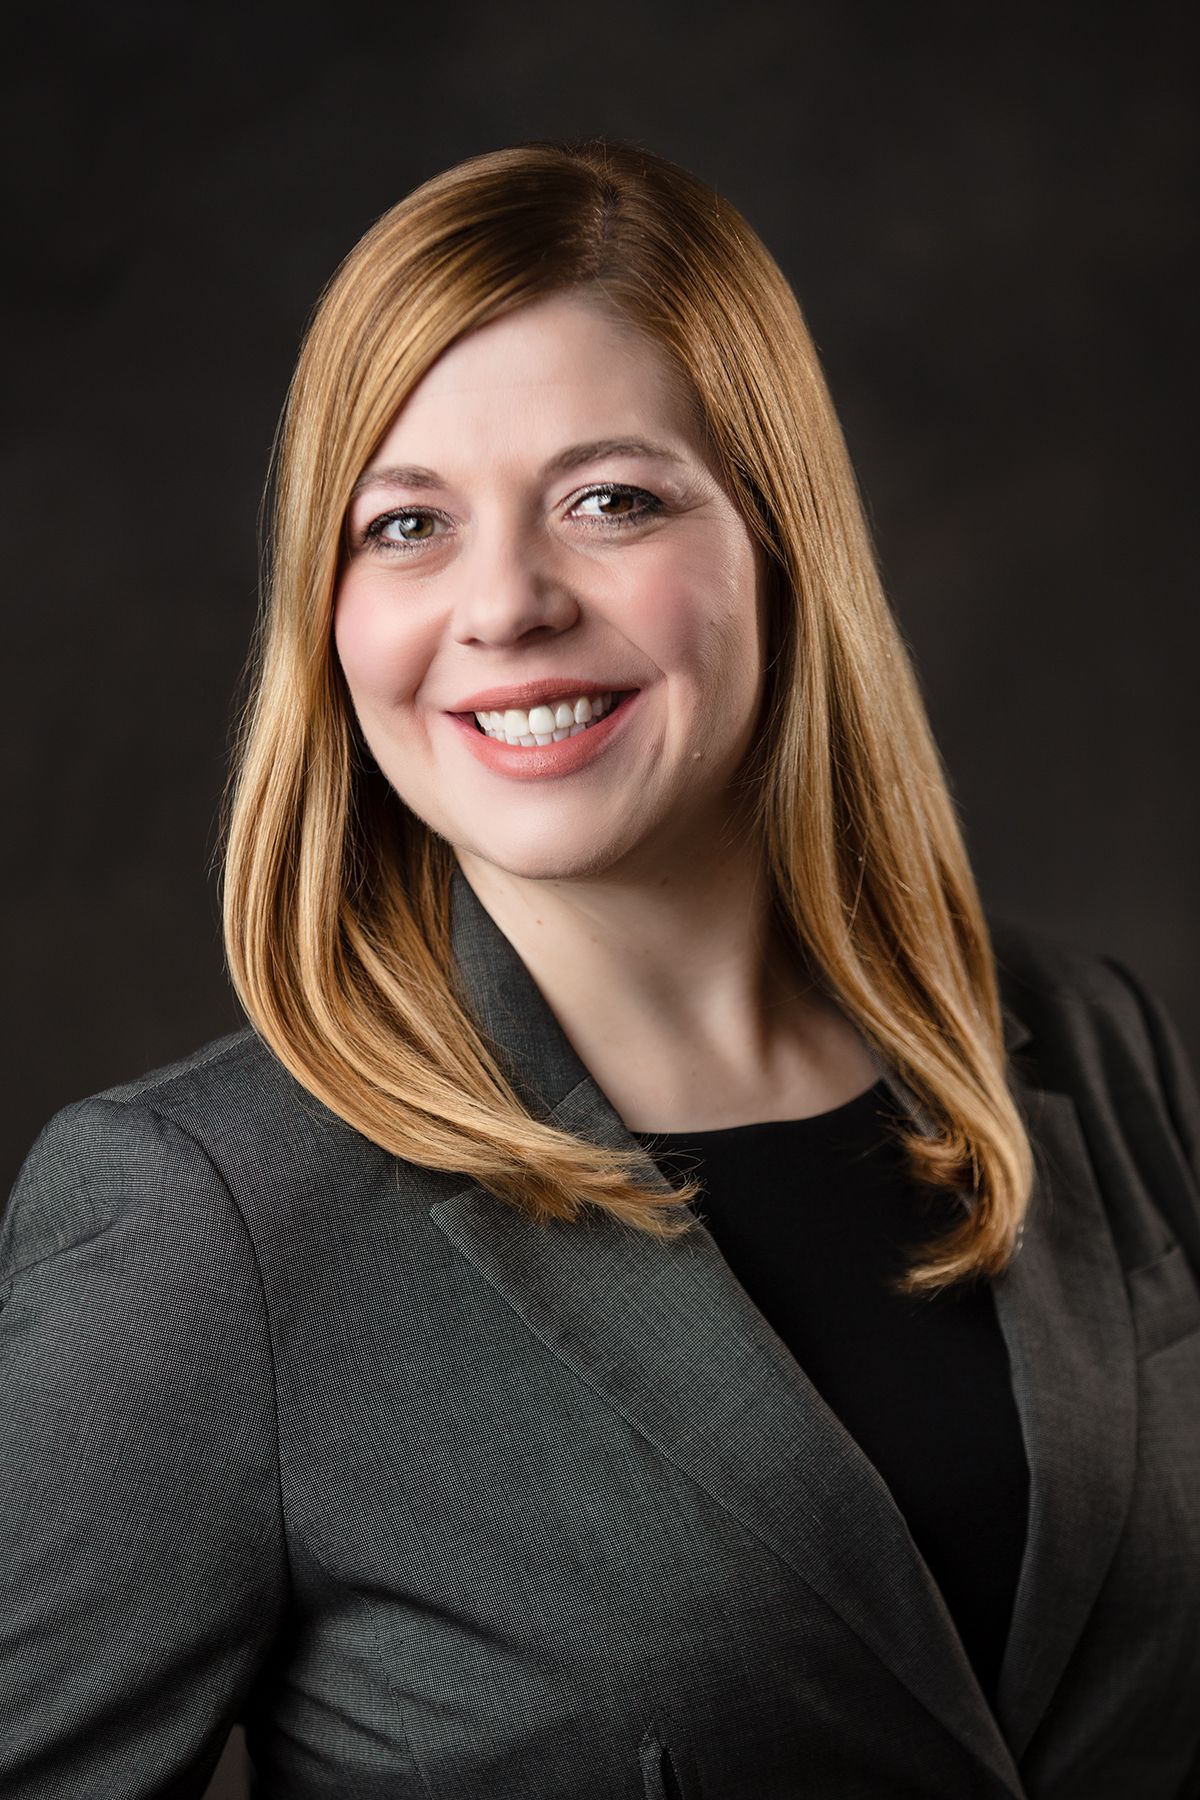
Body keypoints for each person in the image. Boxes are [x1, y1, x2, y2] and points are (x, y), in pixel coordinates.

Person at [2, 137, 1198, 1800]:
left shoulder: (1089, 1047)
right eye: (406, 523)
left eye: (611, 500)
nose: (504, 603)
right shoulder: (199, 1226)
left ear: (782, 543)